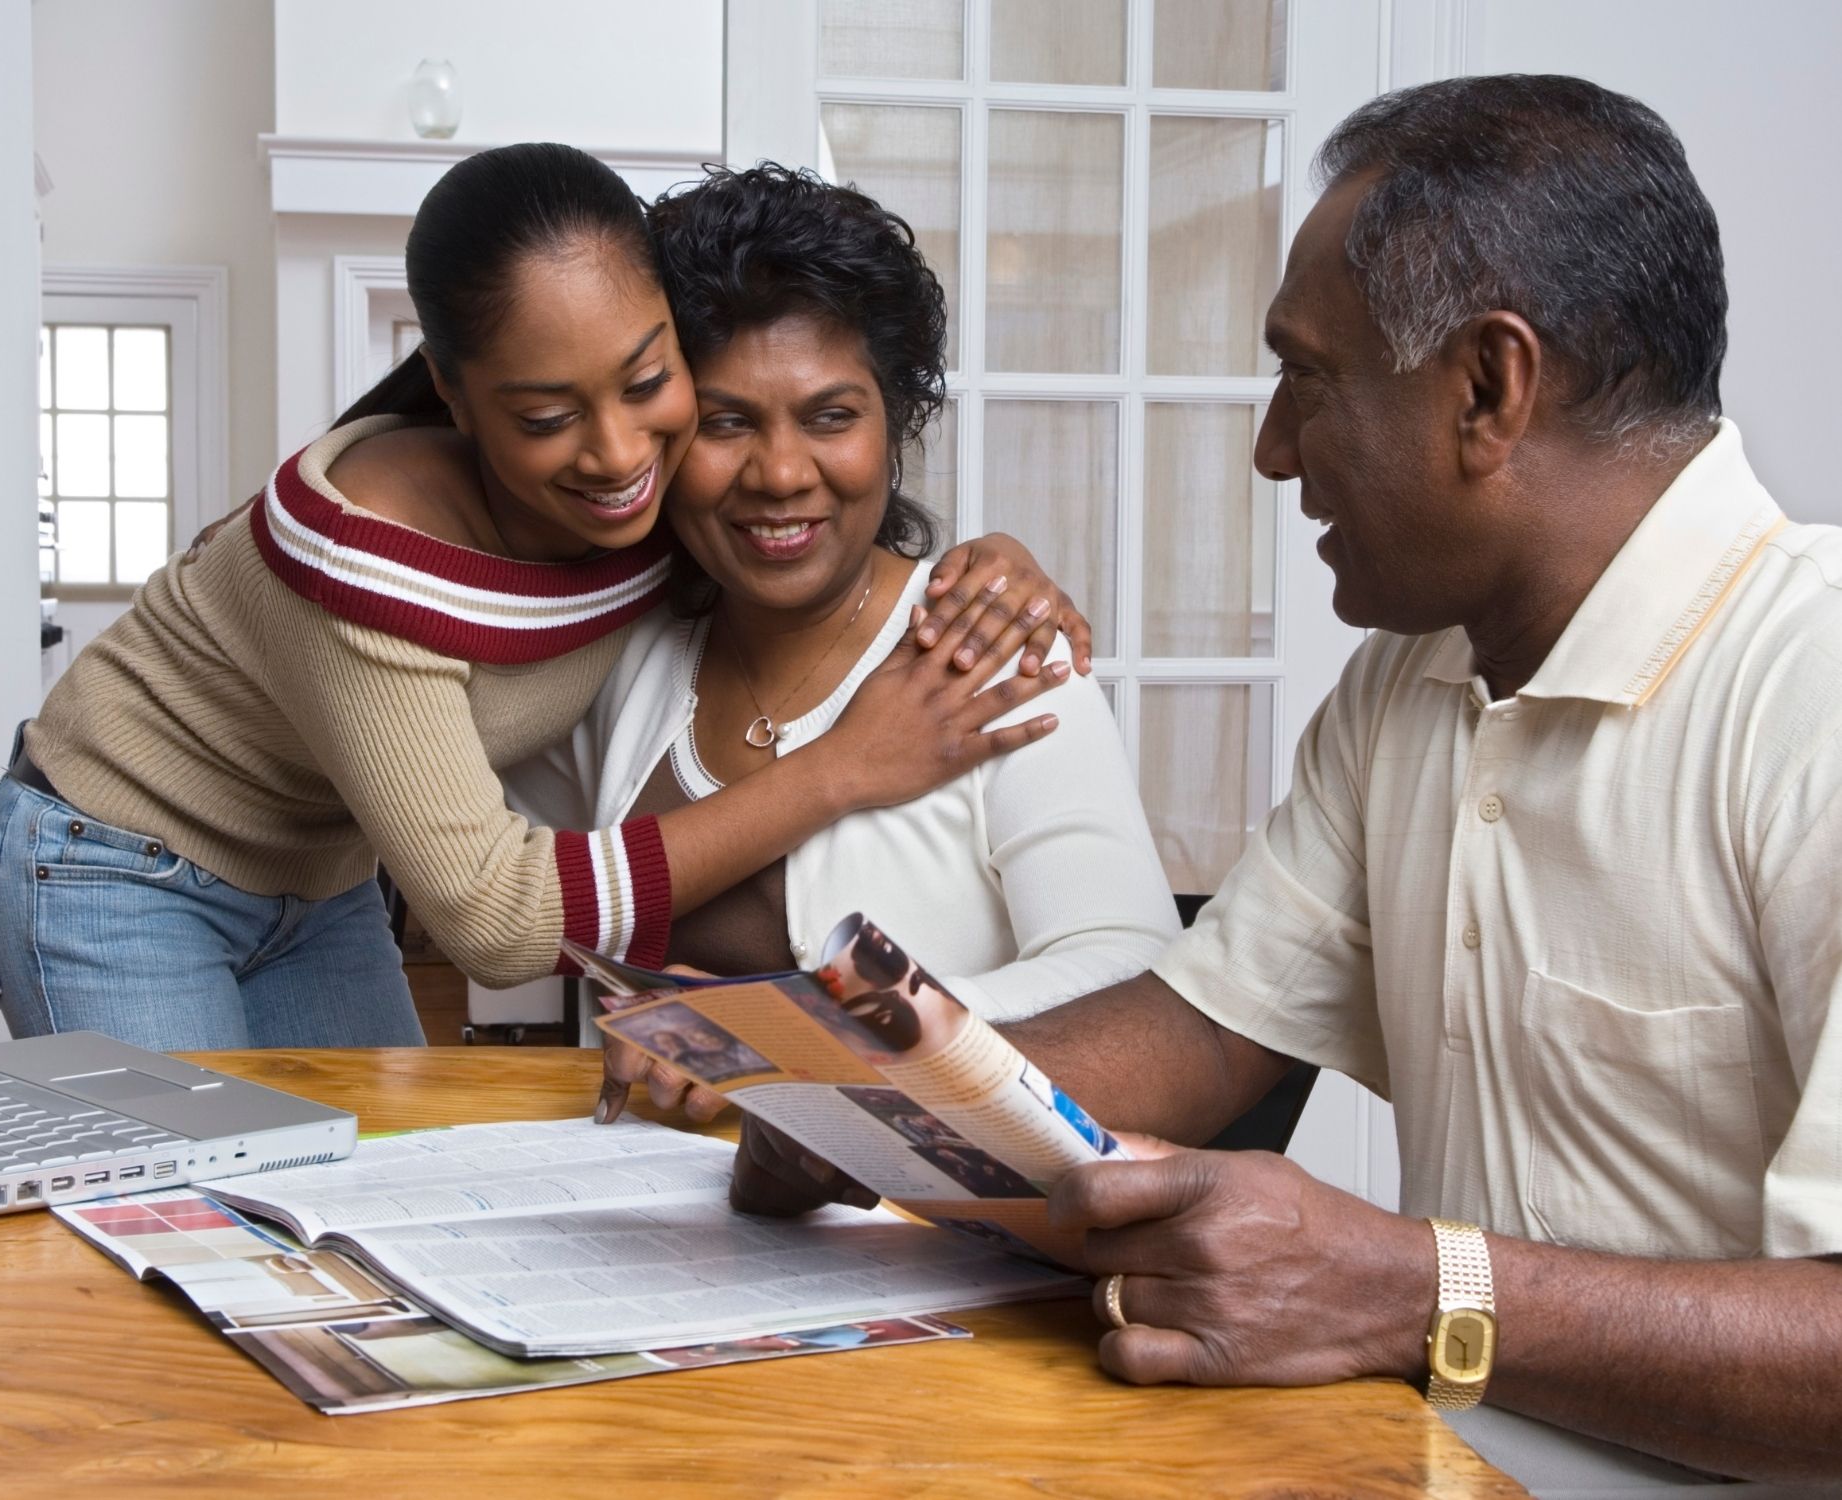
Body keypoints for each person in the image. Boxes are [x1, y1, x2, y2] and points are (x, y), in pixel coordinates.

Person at [620, 80, 1842, 1483]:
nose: (1268, 449)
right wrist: (869, 1117)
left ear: (1488, 389)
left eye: (1306, 379)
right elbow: (1201, 1035)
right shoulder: (1408, 684)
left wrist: (1412, 1287)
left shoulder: (1801, 700)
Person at [0, 143, 1102, 1052]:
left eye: (654, 384)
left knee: (365, 1209)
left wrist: (981, 562)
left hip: (316, 877)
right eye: (548, 418)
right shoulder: (366, 557)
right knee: (177, 1221)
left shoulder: (659, 498)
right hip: (111, 858)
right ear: (455, 396)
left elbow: (794, 499)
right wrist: (849, 766)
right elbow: (499, 925)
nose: (617, 455)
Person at [502, 165, 1176, 1124]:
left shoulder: (997, 654)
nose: (780, 474)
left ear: (895, 425)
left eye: (830, 417)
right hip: (635, 1220)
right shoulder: (624, 659)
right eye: (727, 423)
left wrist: (810, 1037)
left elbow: (1132, 977)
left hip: (903, 1240)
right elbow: (502, 877)